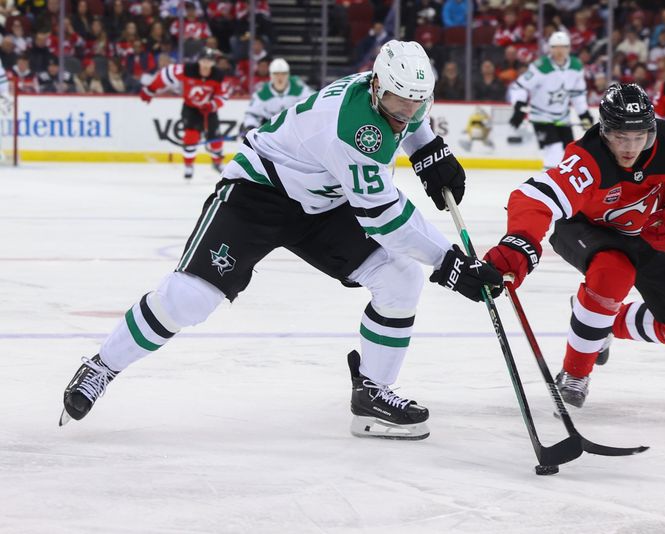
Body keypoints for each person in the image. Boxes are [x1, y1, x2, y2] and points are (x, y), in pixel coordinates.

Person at [60, 40, 503, 441]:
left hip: (321, 201)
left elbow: (413, 125)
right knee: (188, 298)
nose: (403, 112)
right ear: (374, 85)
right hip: (260, 193)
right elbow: (384, 217)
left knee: (400, 279)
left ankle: (372, 394)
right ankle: (101, 367)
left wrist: (429, 151)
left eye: (414, 104)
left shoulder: (404, 93)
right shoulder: (352, 128)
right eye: (395, 102)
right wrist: (450, 263)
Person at [484, 83, 665, 408]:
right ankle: (574, 373)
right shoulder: (588, 158)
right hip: (586, 228)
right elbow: (535, 196)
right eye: (621, 136)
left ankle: (600, 321)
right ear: (604, 131)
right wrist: (519, 242)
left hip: (652, 230)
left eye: (640, 137)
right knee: (613, 271)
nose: (630, 147)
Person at [508, 31, 593, 170]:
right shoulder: (540, 66)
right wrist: (519, 107)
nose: (559, 51)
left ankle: (564, 188)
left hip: (563, 117)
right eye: (555, 47)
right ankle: (548, 187)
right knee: (553, 151)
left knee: (569, 155)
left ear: (569, 48)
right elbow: (520, 87)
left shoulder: (576, 66)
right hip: (541, 117)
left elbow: (578, 94)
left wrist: (584, 114)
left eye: (563, 47)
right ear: (550, 48)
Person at [140, 47, 229, 179]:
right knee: (190, 137)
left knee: (215, 139)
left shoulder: (218, 75)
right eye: (204, 61)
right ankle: (188, 165)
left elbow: (223, 96)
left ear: (213, 63)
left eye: (209, 62)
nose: (206, 65)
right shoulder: (187, 70)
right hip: (190, 108)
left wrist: (211, 105)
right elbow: (166, 75)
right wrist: (151, 89)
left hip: (209, 110)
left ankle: (217, 162)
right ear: (198, 61)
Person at [239, 58, 314, 137]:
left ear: (288, 74)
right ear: (271, 75)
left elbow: (314, 102)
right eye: (276, 74)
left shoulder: (298, 87)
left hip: (295, 133)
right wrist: (251, 126)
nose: (280, 77)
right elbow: (252, 114)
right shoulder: (262, 92)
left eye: (283, 74)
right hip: (270, 134)